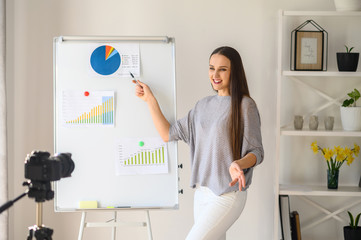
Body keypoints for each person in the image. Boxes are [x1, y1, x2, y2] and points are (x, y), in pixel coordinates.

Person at [133, 46, 264, 240]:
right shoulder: (202, 106)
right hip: (202, 194)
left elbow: (257, 152)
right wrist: (150, 99)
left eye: (223, 69)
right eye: (211, 68)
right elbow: (168, 134)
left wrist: (238, 164)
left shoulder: (245, 105)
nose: (215, 74)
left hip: (228, 194)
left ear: (234, 71)